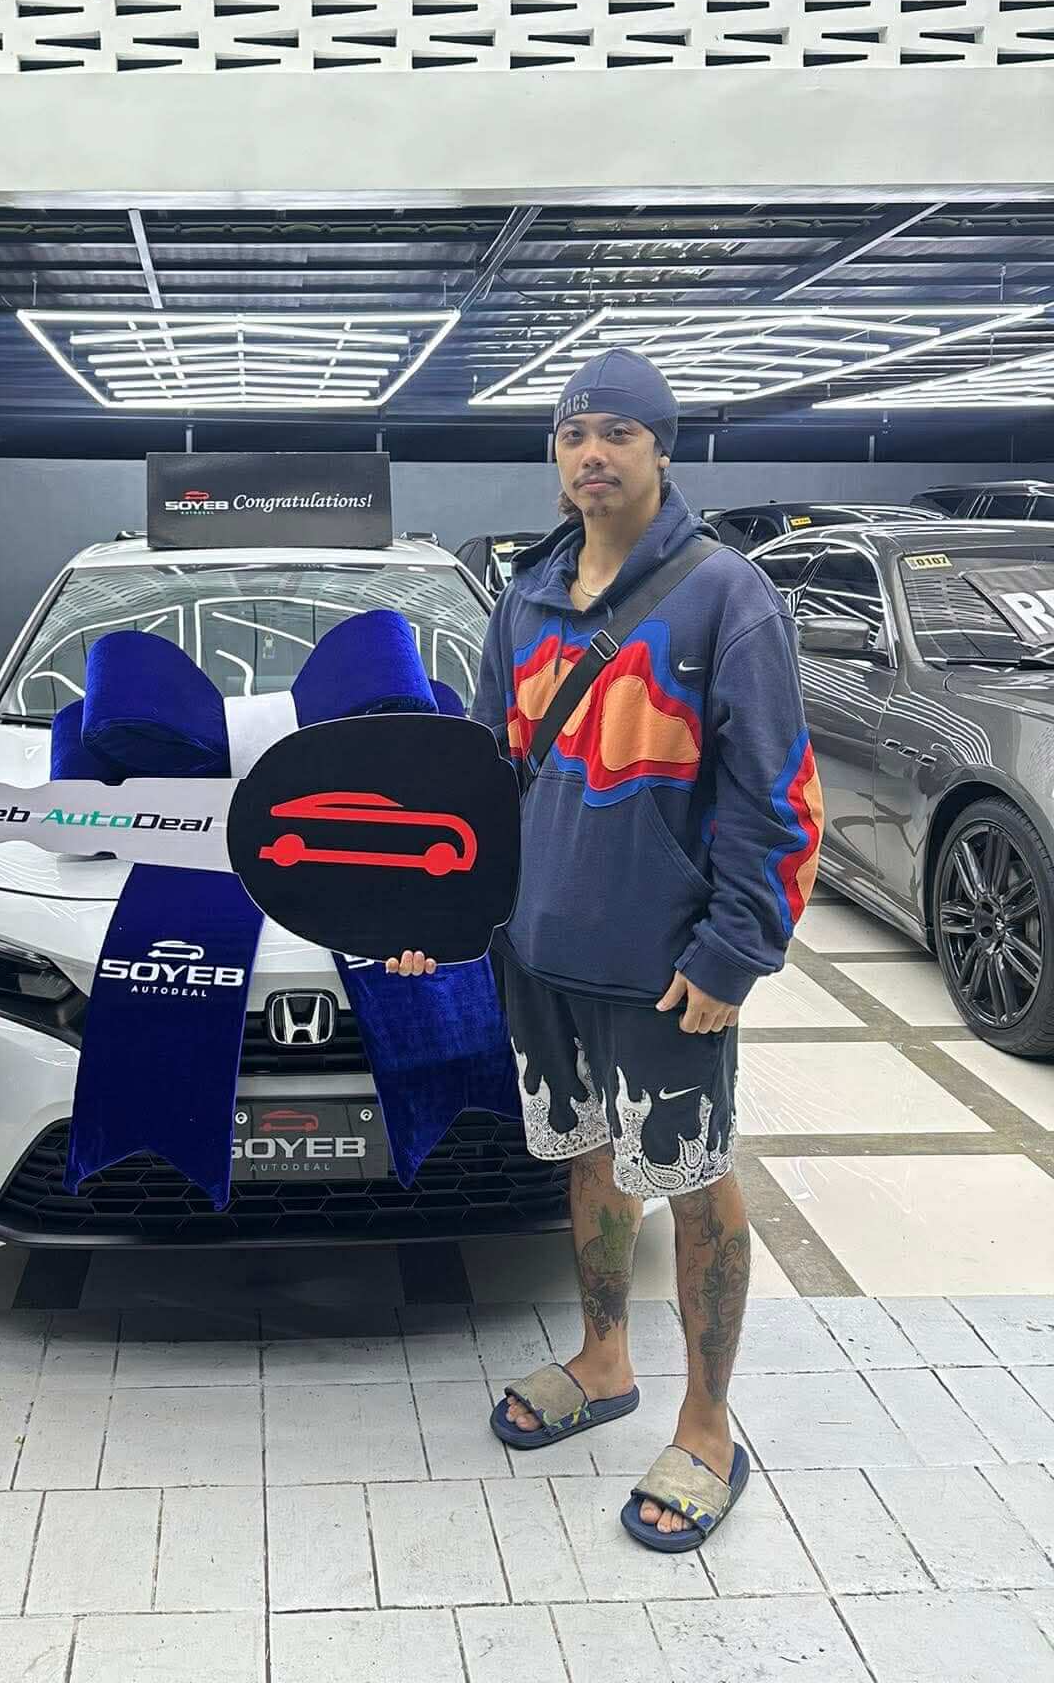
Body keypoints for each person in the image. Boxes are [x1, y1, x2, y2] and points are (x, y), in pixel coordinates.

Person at [387, 348, 823, 1552]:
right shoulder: (526, 598)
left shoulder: (725, 595)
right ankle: (605, 1358)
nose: (592, 453)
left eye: (618, 433)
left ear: (660, 448)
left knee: (693, 1176)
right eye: (574, 434)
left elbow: (780, 798)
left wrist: (734, 953)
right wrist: (440, 918)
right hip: (541, 956)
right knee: (590, 1156)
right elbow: (482, 780)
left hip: (666, 968)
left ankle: (709, 1424)